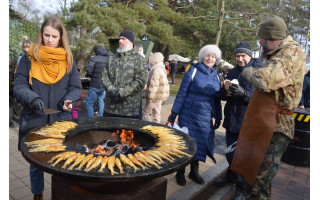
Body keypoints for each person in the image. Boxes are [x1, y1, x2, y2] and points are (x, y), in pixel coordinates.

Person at [230, 15, 306, 199]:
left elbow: (265, 80)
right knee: (254, 172)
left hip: (276, 125)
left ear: (271, 40)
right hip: (267, 121)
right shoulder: (279, 53)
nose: (260, 43)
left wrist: (246, 70)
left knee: (260, 179)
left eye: (262, 41)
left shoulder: (291, 53)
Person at [13, 16, 81, 200]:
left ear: (61, 38)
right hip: (35, 120)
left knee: (61, 164)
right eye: (46, 35)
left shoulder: (68, 59)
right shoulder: (28, 58)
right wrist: (32, 97)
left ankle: (60, 195)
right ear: (41, 34)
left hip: (60, 122)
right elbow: (18, 86)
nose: (50, 40)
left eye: (54, 36)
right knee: (36, 164)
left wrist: (69, 99)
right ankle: (38, 195)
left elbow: (75, 88)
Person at [168, 44, 222, 186]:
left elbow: (217, 98)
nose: (210, 58)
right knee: (186, 143)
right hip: (189, 113)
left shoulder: (217, 75)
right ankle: (180, 172)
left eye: (213, 56)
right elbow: (182, 92)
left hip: (205, 116)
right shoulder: (193, 70)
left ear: (216, 59)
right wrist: (174, 113)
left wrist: (219, 116)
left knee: (200, 143)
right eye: (207, 55)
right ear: (202, 56)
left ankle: (194, 171)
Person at [213, 41, 262, 199]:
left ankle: (240, 189)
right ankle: (230, 177)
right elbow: (222, 93)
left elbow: (260, 99)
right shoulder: (233, 72)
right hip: (231, 119)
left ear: (249, 56)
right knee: (230, 153)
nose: (240, 59)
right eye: (237, 56)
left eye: (243, 56)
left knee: (242, 157)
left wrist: (243, 94)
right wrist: (223, 94)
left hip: (247, 122)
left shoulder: (257, 72)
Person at [101, 29, 147, 119]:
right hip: (110, 108)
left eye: (123, 39)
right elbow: (103, 76)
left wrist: (121, 93)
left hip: (130, 110)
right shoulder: (111, 59)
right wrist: (112, 90)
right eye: (119, 39)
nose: (120, 41)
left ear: (130, 42)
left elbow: (140, 81)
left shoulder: (139, 60)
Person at [85, 45, 112, 117]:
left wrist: (89, 76)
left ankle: (91, 118)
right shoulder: (108, 59)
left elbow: (89, 71)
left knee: (89, 103)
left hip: (94, 85)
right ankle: (101, 117)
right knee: (101, 101)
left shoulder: (94, 59)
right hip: (103, 85)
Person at [142, 52, 170, 123]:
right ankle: (157, 129)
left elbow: (153, 85)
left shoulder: (155, 70)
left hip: (154, 96)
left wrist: (149, 98)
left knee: (146, 113)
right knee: (157, 114)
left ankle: (147, 128)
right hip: (160, 96)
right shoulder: (162, 68)